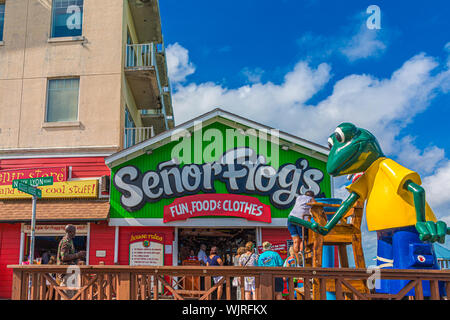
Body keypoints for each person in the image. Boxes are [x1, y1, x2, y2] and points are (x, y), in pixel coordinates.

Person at [57, 224, 86, 299]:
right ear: (69, 232)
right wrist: (77, 255)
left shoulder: (70, 241)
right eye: (74, 232)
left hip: (71, 271)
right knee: (68, 295)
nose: (75, 233)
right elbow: (64, 257)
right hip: (66, 272)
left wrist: (78, 257)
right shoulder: (66, 242)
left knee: (73, 295)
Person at [288, 191, 314, 263]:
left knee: (295, 240)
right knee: (303, 239)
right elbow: (316, 205)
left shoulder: (299, 197)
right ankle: (301, 254)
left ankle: (297, 259)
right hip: (301, 220)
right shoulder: (310, 198)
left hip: (291, 218)